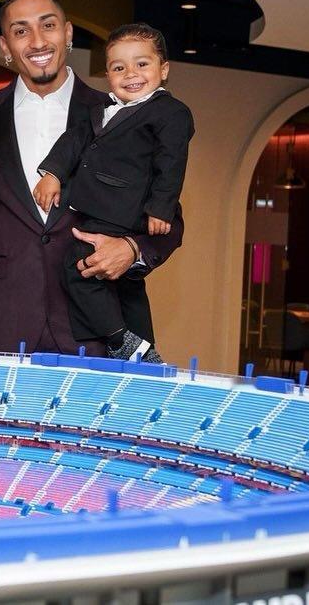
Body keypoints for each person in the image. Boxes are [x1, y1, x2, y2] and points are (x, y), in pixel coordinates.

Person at [0, 0, 184, 356]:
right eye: (21, 31)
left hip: (98, 326)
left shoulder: (126, 113)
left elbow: (167, 214)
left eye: (48, 25)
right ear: (5, 46)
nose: (37, 41)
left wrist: (132, 248)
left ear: (67, 33)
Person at [33, 23, 194, 362]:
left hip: (122, 213)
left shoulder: (171, 112)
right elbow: (72, 143)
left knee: (79, 266)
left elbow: (172, 161)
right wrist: (52, 173)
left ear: (164, 69)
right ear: (107, 74)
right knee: (127, 286)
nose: (130, 74)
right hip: (102, 212)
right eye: (119, 67)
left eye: (142, 64)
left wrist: (161, 207)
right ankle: (145, 352)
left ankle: (120, 340)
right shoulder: (100, 111)